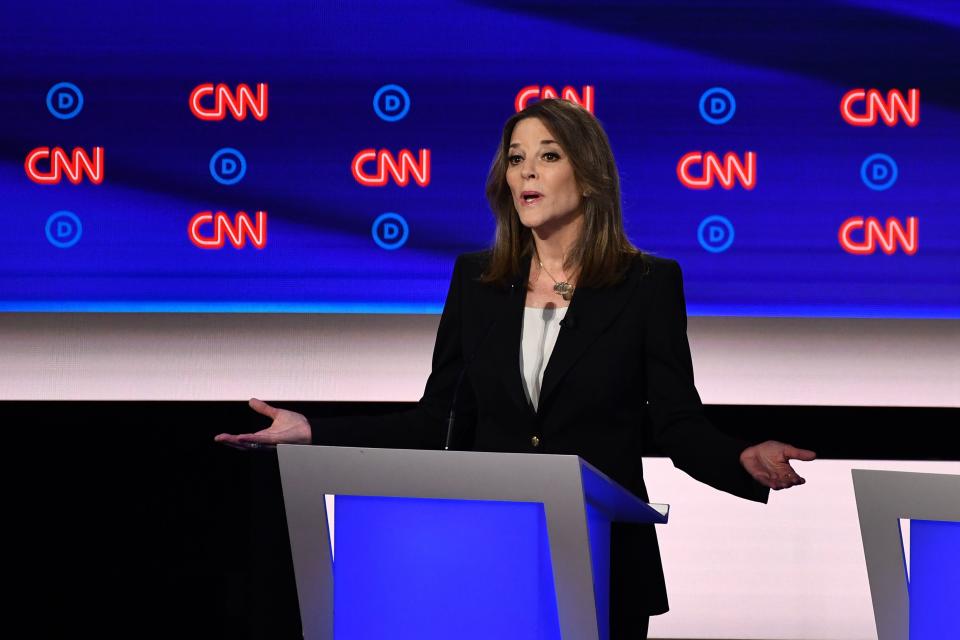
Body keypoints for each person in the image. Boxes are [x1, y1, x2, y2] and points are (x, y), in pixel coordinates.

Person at [215, 98, 816, 639]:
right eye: (515, 158)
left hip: (602, 562)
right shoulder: (477, 284)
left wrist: (739, 459)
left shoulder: (648, 285)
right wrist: (312, 431)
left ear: (588, 175)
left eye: (547, 155)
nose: (526, 171)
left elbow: (677, 423)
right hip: (491, 555)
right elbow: (439, 422)